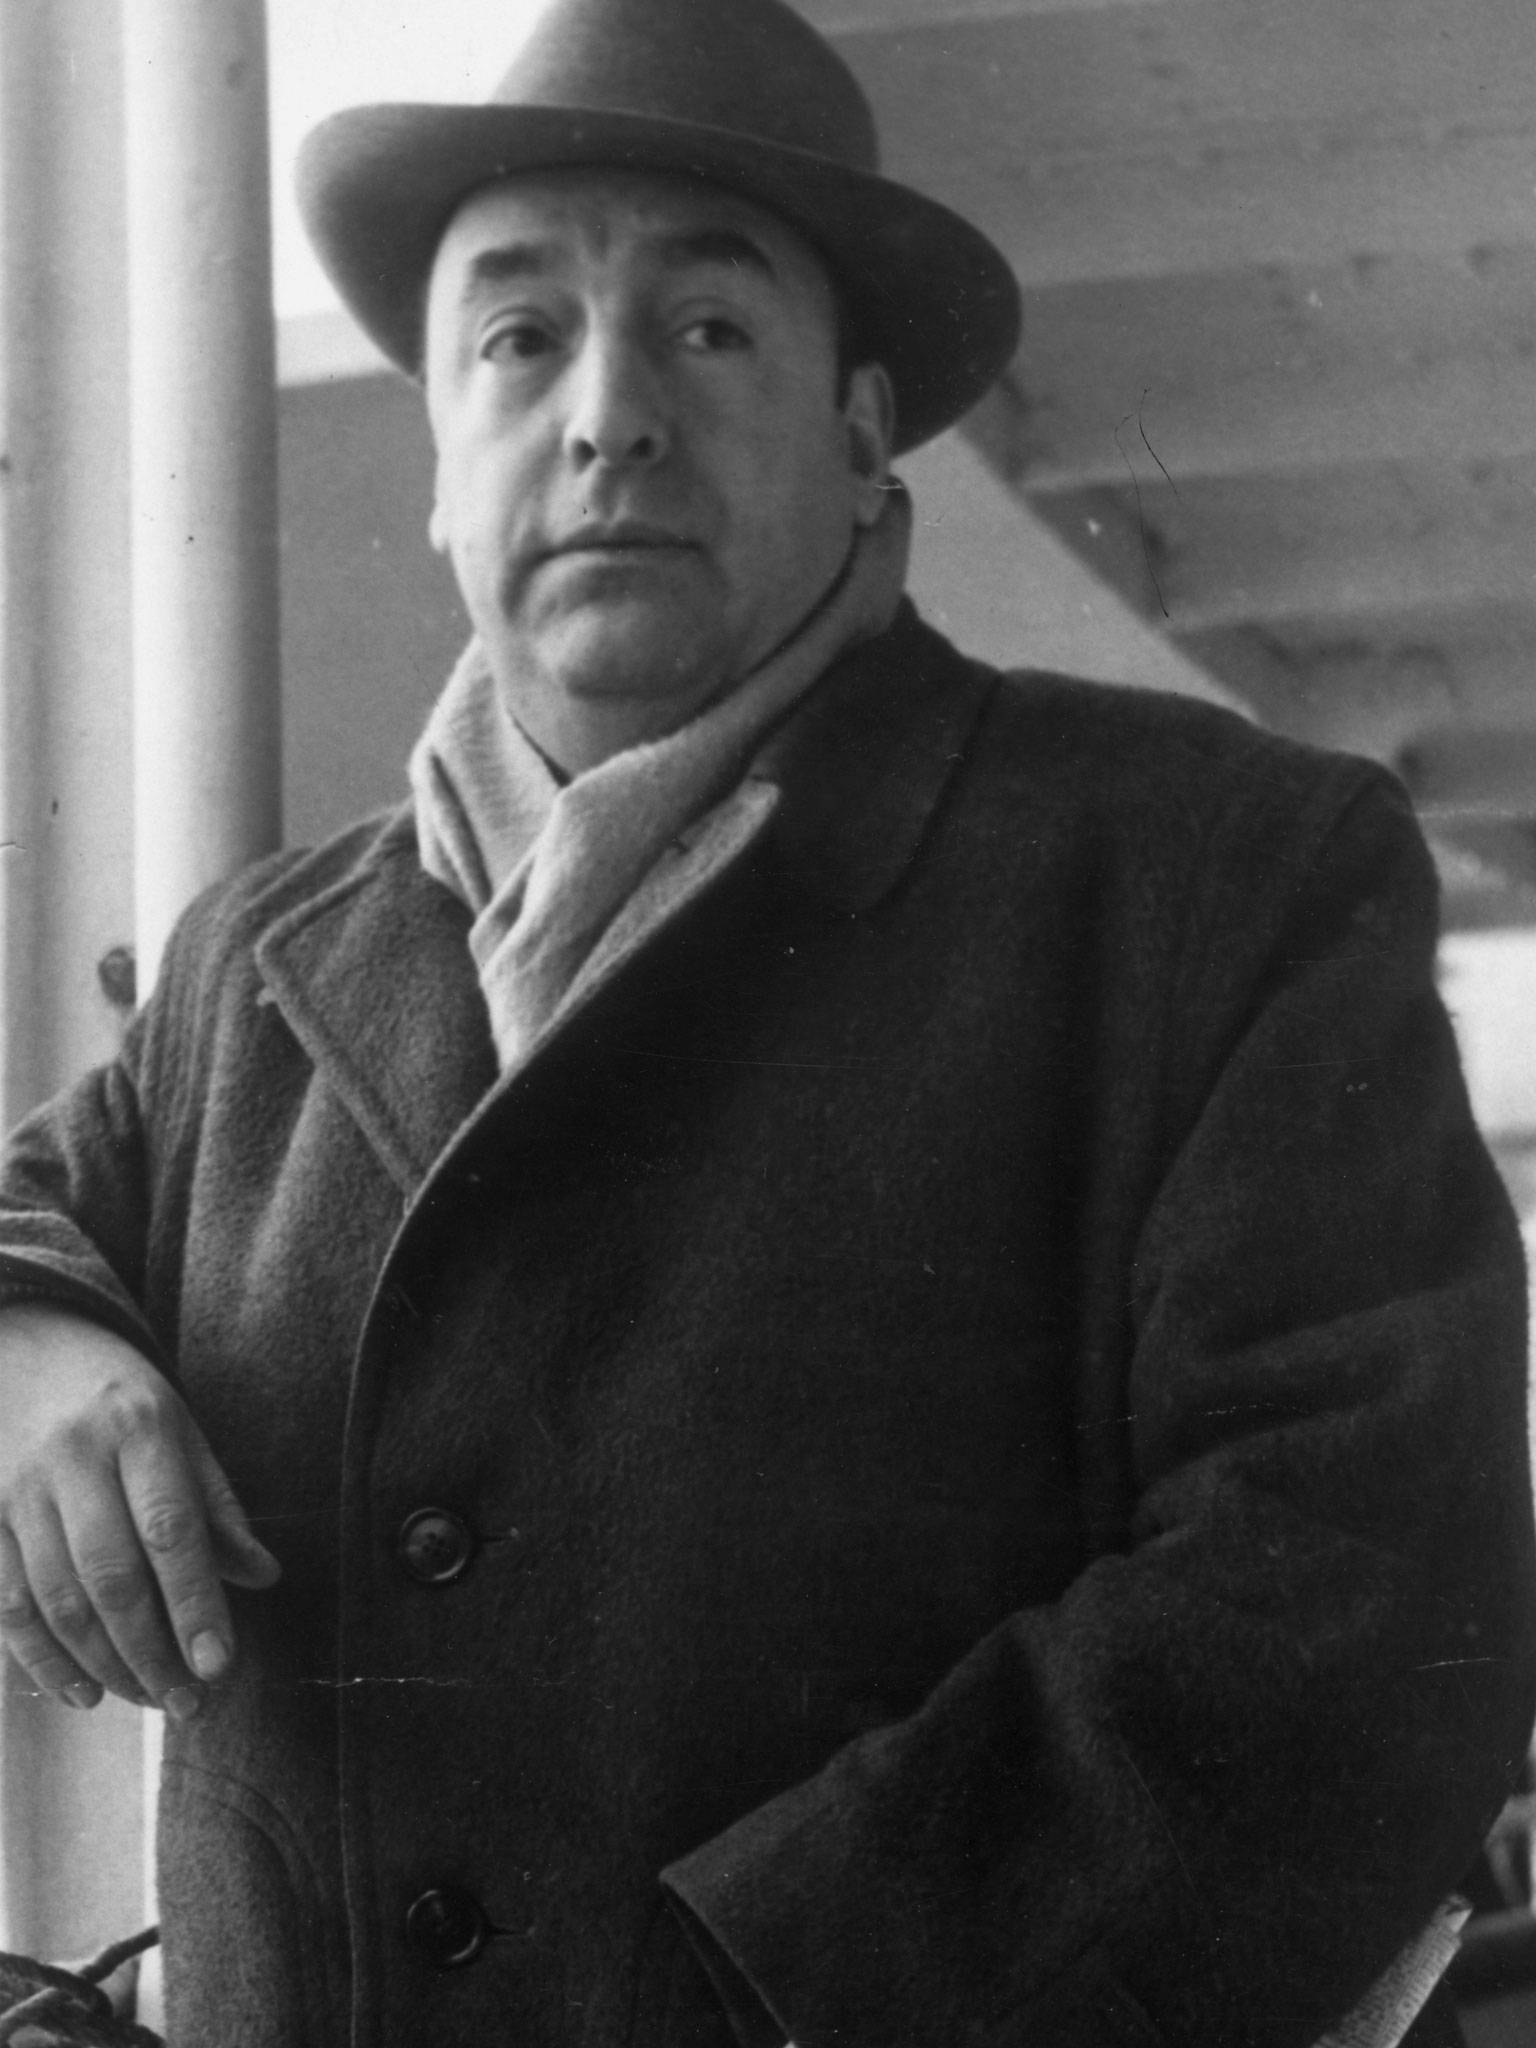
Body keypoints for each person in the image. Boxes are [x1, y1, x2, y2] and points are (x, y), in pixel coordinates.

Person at [0, 0, 1531, 2043]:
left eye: (709, 329)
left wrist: (765, 1987)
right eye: (517, 337)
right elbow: (34, 1200)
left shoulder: (1209, 874)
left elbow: (1368, 1591)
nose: (607, 414)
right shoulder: (247, 966)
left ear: (862, 429)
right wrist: (25, 1340)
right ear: (441, 452)